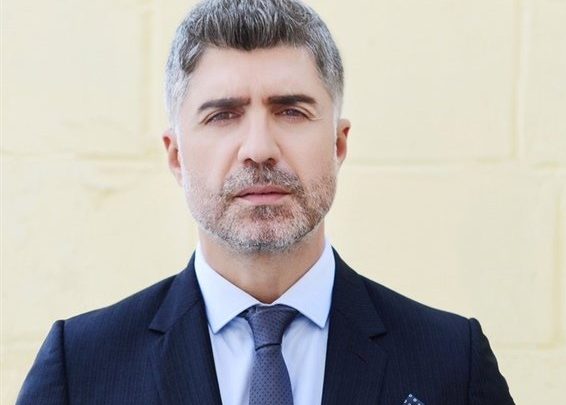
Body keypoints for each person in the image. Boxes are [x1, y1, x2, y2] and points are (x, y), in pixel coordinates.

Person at [17, 0, 514, 404]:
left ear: (338, 144)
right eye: (222, 115)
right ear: (176, 156)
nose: (258, 148)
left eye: (291, 111)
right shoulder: (80, 370)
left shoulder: (453, 364)